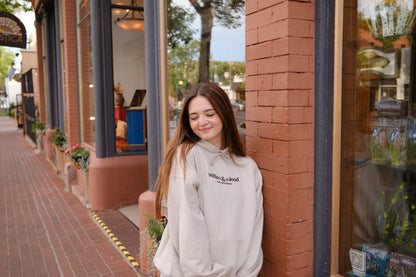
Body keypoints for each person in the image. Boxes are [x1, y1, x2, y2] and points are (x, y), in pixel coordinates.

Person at [153, 82, 264, 277]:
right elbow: (186, 226)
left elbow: (255, 227)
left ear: (225, 114)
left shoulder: (248, 168)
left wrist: (247, 273)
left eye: (210, 114)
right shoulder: (186, 156)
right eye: (193, 117)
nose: (201, 122)